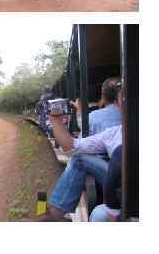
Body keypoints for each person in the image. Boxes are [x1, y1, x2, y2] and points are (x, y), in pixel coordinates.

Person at [39, 84, 123, 221]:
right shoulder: (113, 133)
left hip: (124, 184)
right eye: (125, 98)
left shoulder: (99, 120)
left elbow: (74, 143)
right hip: (120, 182)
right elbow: (72, 146)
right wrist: (56, 121)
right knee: (79, 158)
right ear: (116, 104)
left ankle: (55, 214)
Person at [89, 145, 122, 222]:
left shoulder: (122, 151)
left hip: (125, 211)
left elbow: (111, 204)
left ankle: (58, 211)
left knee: (99, 214)